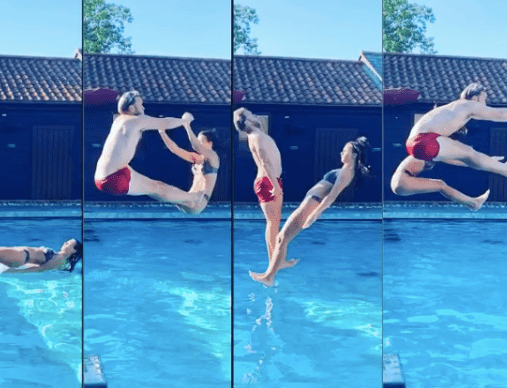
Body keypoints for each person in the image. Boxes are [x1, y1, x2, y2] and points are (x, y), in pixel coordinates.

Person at [249, 138, 371, 287]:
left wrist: (314, 215)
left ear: (353, 155)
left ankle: (269, 277)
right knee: (283, 237)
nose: (341, 153)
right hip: (311, 202)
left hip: (312, 203)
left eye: (344, 151)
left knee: (282, 237)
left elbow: (331, 196)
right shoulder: (345, 169)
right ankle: (278, 265)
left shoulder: (347, 172)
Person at [94, 90, 206, 212]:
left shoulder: (119, 120)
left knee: (157, 187)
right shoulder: (135, 120)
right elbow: (165, 123)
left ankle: (187, 201)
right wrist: (184, 121)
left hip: (109, 173)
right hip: (114, 178)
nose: (143, 106)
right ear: (131, 108)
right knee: (156, 188)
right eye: (140, 104)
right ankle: (195, 198)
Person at [404, 83, 507, 176]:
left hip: (413, 146)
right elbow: (500, 114)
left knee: (468, 153)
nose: (485, 104)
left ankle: (506, 169)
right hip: (424, 141)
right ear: (475, 98)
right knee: (469, 152)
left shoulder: (452, 110)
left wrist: (487, 162)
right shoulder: (467, 104)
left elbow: (453, 159)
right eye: (484, 99)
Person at [233, 108, 283, 261]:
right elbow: (265, 163)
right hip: (268, 181)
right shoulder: (256, 137)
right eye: (251, 114)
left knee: (275, 223)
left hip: (271, 180)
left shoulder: (258, 135)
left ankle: (276, 260)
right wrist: (275, 186)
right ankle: (273, 261)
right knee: (272, 223)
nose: (255, 115)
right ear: (247, 121)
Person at [390, 154, 493, 210]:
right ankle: (474, 203)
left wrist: (488, 162)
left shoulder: (428, 152)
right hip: (403, 179)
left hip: (399, 181)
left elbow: (461, 162)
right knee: (441, 185)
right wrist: (487, 162)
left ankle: (473, 203)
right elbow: (460, 161)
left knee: (440, 184)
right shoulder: (428, 152)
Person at [158, 121, 220, 214]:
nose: (198, 143)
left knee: (161, 190)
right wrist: (161, 132)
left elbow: (196, 146)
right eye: (198, 141)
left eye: (200, 141)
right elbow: (175, 149)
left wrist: (187, 125)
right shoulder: (198, 159)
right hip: (189, 199)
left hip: (198, 201)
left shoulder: (213, 157)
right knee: (160, 189)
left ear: (210, 143)